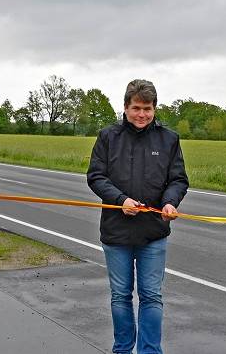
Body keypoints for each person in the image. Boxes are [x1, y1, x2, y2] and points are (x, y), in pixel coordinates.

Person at [87, 79, 189, 354]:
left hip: (153, 232)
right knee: (120, 296)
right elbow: (96, 176)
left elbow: (178, 180)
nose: (141, 114)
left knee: (151, 297)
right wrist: (120, 201)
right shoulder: (108, 136)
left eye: (147, 108)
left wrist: (170, 202)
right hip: (116, 232)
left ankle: (149, 351)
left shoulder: (168, 139)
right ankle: (122, 349)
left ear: (155, 109)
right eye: (136, 108)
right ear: (125, 107)